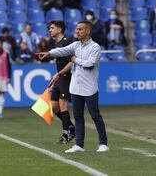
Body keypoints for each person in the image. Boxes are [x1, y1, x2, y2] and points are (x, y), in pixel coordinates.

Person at [37, 21, 109, 153]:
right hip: (75, 87)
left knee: (95, 115)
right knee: (78, 116)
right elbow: (62, 50)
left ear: (87, 31)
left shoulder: (95, 47)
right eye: (77, 29)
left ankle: (103, 143)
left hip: (89, 87)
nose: (77, 31)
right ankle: (79, 145)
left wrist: (76, 60)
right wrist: (49, 53)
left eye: (80, 29)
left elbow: (90, 64)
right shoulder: (76, 45)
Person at [45, 21, 76, 144]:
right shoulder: (56, 43)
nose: (50, 30)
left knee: (63, 105)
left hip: (66, 77)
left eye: (52, 28)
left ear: (59, 29)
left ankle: (66, 134)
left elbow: (72, 62)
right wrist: (56, 76)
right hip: (59, 77)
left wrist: (60, 74)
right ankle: (72, 128)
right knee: (53, 106)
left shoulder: (67, 42)